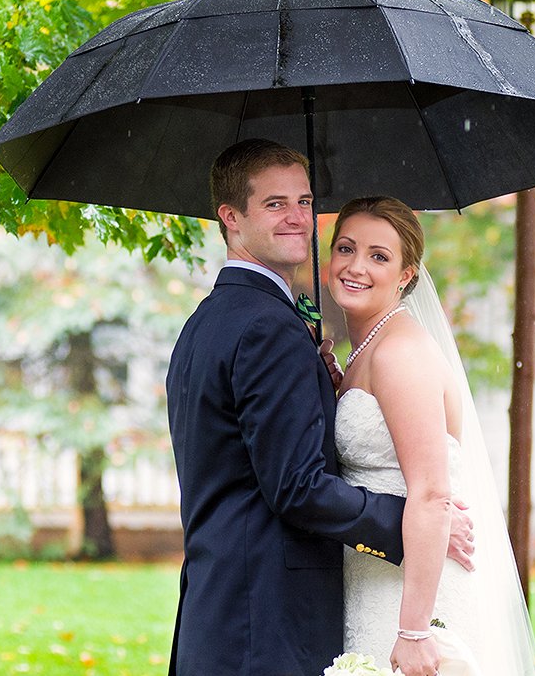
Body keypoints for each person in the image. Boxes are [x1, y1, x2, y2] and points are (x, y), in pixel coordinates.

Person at [165, 141, 475, 676]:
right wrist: (411, 523)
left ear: (406, 274)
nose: (297, 218)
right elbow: (296, 487)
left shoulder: (208, 320)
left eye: (305, 201)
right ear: (230, 217)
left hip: (223, 608)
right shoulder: (268, 327)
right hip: (265, 621)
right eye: (275, 204)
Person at [329, 196, 535, 676]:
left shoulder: (401, 352)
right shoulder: (368, 347)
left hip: (414, 593)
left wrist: (415, 631)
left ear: (406, 275)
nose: (356, 266)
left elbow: (431, 492)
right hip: (376, 573)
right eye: (346, 248)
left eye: (379, 256)